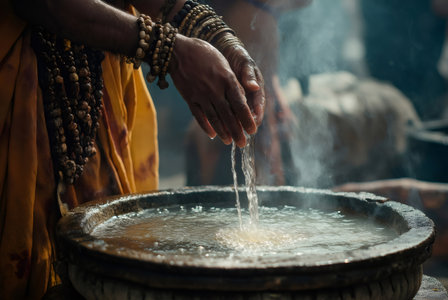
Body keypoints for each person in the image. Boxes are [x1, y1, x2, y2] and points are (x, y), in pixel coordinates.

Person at [0, 0, 265, 298]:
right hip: (19, 96)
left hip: (99, 95)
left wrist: (217, 37)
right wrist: (171, 52)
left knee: (103, 261)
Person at [186, 0, 311, 186]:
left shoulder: (264, 11)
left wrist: (276, 94)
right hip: (242, 107)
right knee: (233, 174)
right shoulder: (246, 13)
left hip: (260, 94)